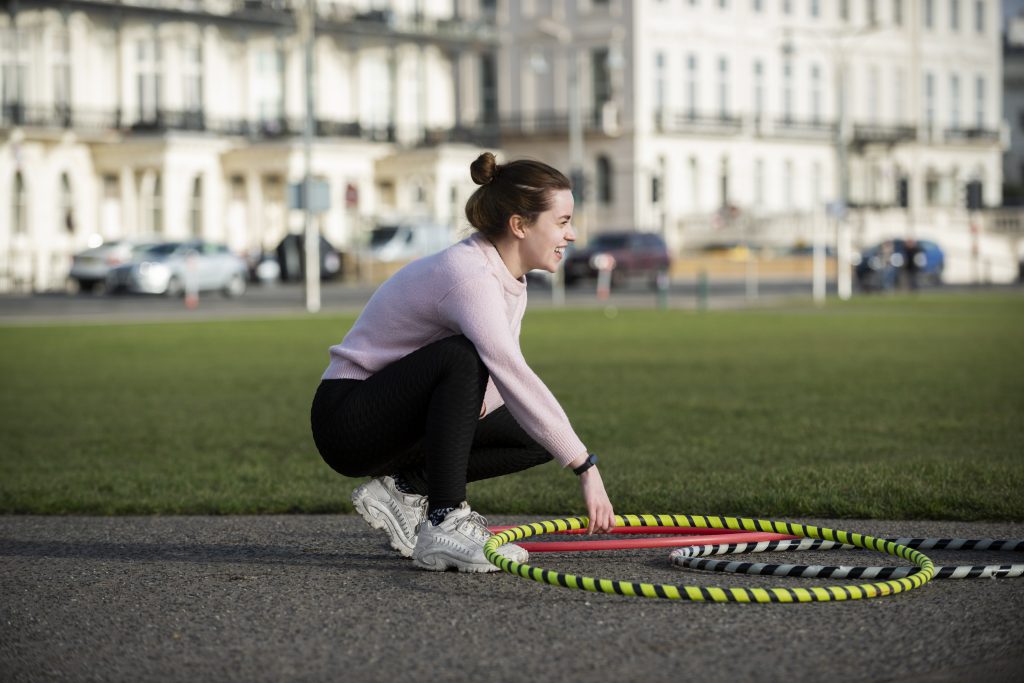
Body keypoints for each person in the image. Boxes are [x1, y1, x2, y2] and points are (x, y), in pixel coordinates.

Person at [310, 152, 615, 573]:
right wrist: (584, 466)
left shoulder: (508, 276)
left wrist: (483, 416)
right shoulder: (470, 274)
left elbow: (501, 381)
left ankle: (406, 488)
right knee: (462, 357)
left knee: (534, 436)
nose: (573, 234)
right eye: (562, 222)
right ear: (520, 225)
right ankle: (444, 520)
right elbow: (508, 369)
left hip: (394, 417)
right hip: (347, 418)